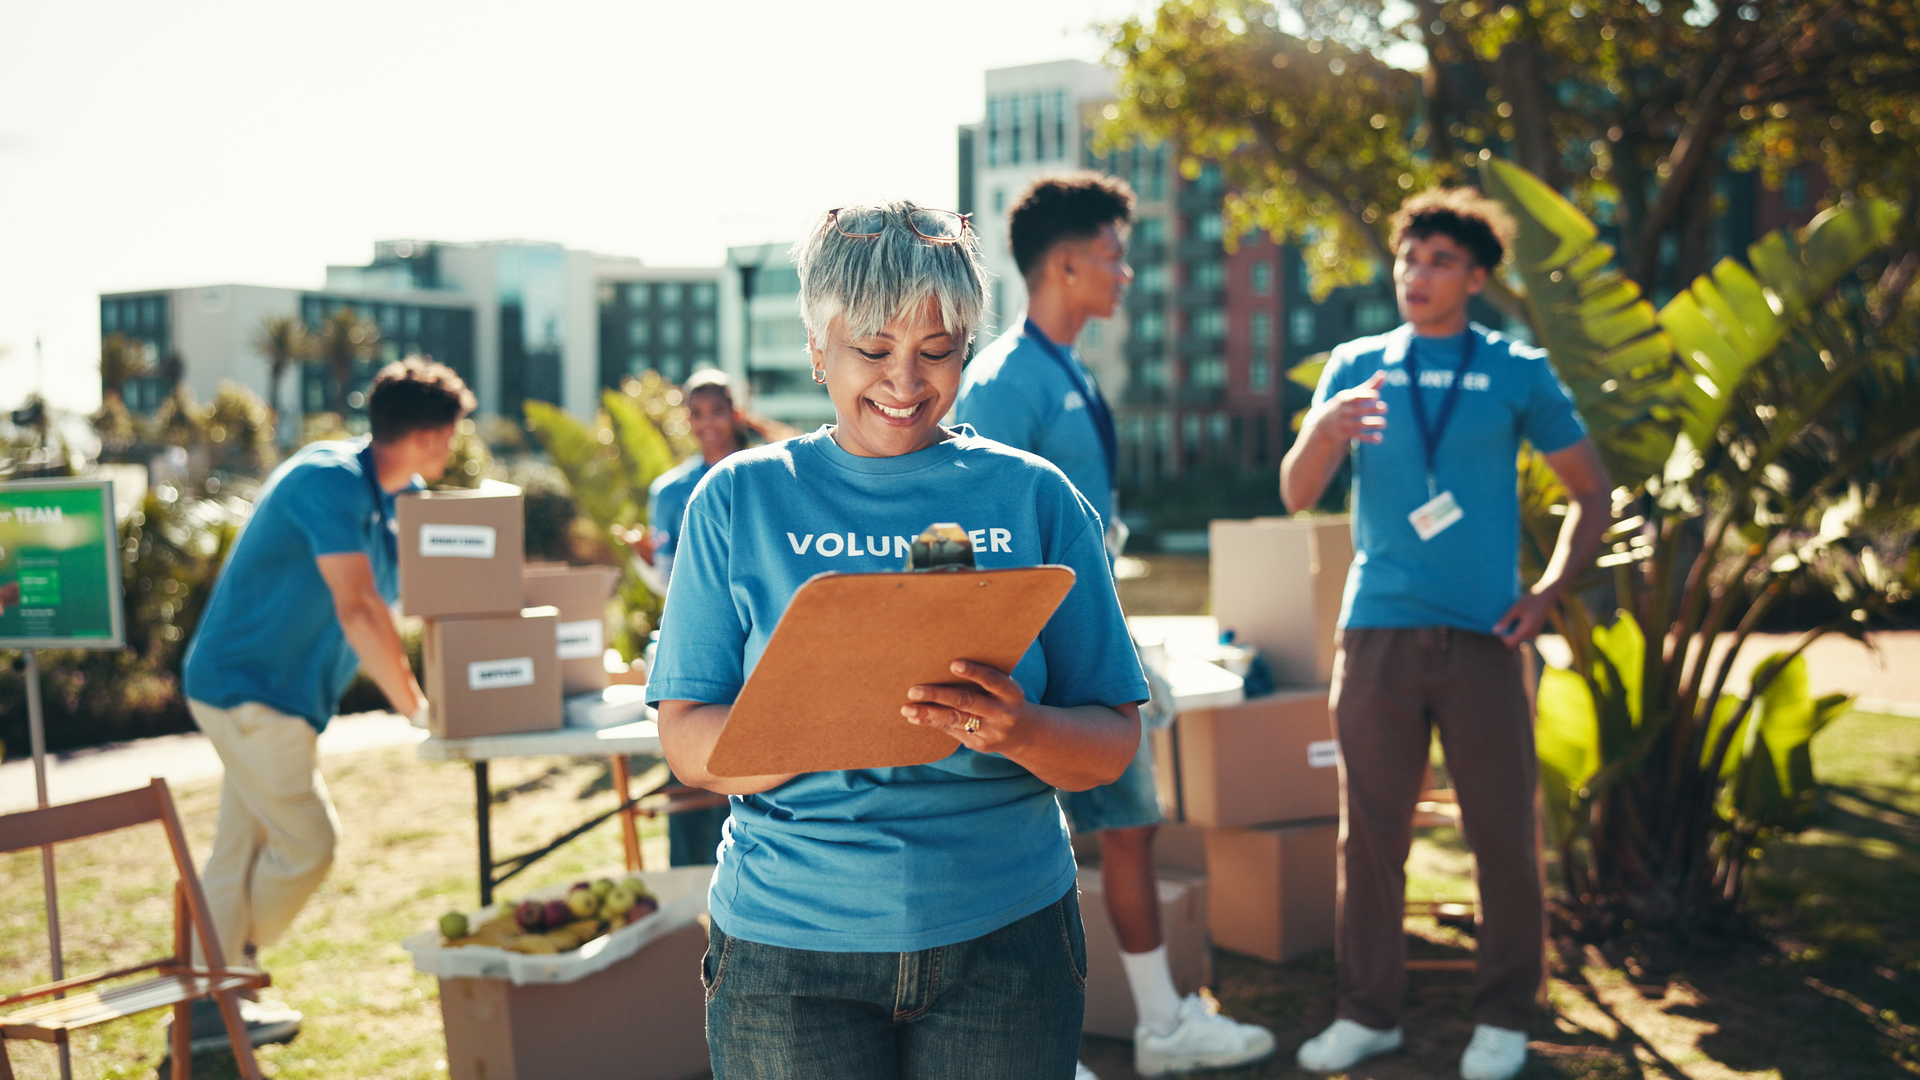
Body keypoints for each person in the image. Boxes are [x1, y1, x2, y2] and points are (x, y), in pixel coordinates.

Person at [648, 200, 1148, 1080]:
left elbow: (1110, 745)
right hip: (788, 950)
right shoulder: (734, 500)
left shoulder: (1036, 499)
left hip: (1008, 937)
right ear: (816, 347)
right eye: (872, 351)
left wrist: (1023, 730)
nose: (905, 382)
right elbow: (687, 744)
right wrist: (815, 719)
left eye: (938, 351)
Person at [1281, 189, 1610, 1080]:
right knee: (1372, 835)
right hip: (1378, 632)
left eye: (1437, 262)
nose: (1415, 276)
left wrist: (1544, 595)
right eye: (1407, 258)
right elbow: (1295, 492)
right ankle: (1367, 1014)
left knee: (1502, 833)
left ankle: (1505, 1017)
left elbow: (1593, 495)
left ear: (1476, 276)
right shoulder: (1355, 364)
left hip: (1487, 642)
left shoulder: (1518, 371)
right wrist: (1325, 425)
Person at [957, 172, 1275, 1079]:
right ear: (1063, 264)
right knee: (1017, 832)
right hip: (1035, 657)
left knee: (1132, 823)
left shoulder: (1069, 372)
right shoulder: (1007, 380)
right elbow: (978, 536)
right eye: (1111, 254)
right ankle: (1039, 1050)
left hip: (1090, 637)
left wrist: (1124, 645)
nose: (1125, 273)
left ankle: (1163, 1024)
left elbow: (1087, 531)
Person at [178, 358, 472, 1054]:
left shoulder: (398, 496)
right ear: (430, 435)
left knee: (236, 852)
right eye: (452, 434)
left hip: (279, 695)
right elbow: (360, 606)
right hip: (248, 691)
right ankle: (229, 975)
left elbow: (422, 594)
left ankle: (204, 1008)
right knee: (309, 845)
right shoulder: (328, 482)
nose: (453, 448)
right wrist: (417, 708)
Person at [616, 369, 789, 866]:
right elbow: (674, 588)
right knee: (695, 777)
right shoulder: (669, 492)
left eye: (718, 410)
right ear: (685, 419)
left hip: (761, 648)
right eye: (697, 412)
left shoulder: (773, 476)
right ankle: (692, 895)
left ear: (736, 411)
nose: (708, 422)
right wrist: (646, 562)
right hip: (702, 645)